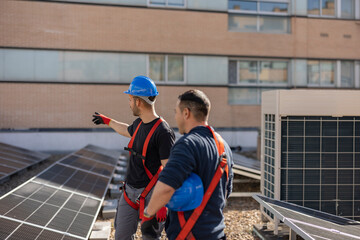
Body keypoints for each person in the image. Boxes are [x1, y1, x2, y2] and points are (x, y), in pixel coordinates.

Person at [141, 89, 233, 240]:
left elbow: (166, 187)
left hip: (190, 235)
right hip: (217, 234)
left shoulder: (187, 144)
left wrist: (148, 215)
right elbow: (226, 191)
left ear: (186, 113)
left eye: (176, 112)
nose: (175, 117)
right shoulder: (224, 147)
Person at [92, 75, 175, 240]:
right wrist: (107, 121)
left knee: (149, 237)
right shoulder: (138, 124)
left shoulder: (163, 132)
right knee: (121, 235)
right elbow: (126, 129)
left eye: (130, 99)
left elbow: (170, 171)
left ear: (138, 101)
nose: (129, 103)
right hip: (129, 192)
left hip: (152, 194)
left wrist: (162, 204)